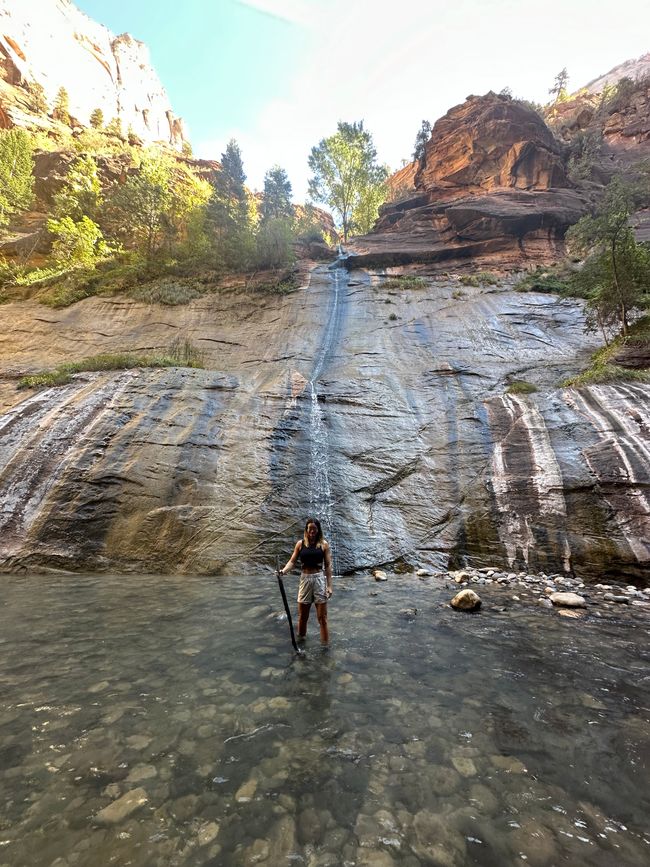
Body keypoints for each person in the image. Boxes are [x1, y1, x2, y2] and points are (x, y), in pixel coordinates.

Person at [277, 517, 333, 643]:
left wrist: (329, 586)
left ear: (318, 530)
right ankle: (301, 644)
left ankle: (325, 649)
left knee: (322, 618)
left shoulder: (324, 545)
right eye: (310, 529)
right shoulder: (300, 544)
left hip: (319, 580)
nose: (312, 531)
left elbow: (328, 566)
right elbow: (292, 562)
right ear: (307, 530)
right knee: (303, 617)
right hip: (305, 580)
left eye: (315, 529)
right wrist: (283, 571)